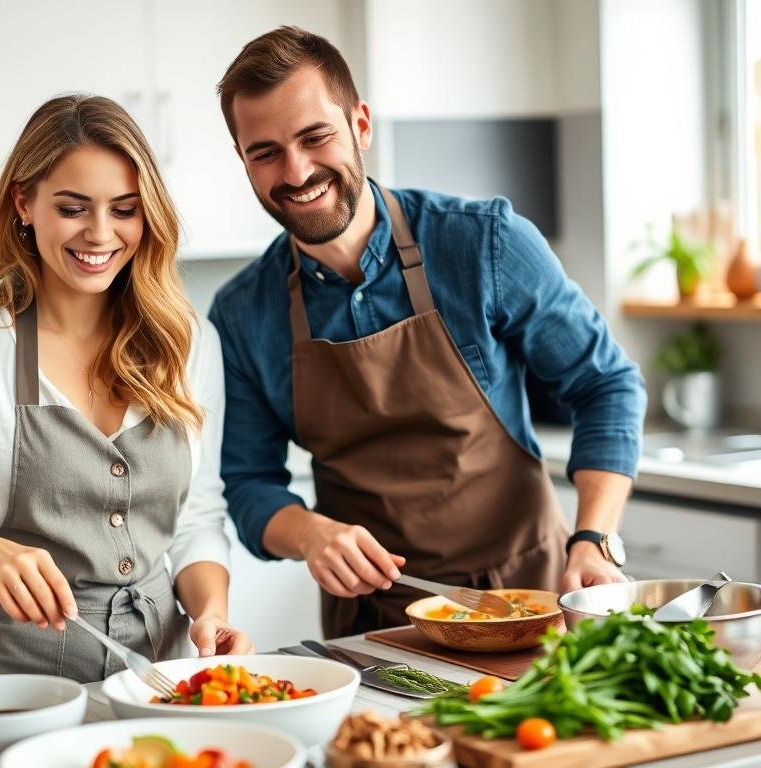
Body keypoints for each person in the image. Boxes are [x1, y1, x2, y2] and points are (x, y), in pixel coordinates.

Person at [208, 27, 647, 638]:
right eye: (266, 152)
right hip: (375, 627)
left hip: (530, 598)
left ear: (361, 125)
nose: (297, 170)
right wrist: (309, 533)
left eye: (315, 137)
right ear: (243, 161)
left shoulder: (483, 242)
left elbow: (606, 384)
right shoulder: (243, 313)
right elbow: (249, 482)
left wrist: (594, 538)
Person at [0, 94, 252, 681]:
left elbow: (196, 518)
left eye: (125, 209)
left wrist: (211, 614)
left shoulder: (187, 342)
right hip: (7, 683)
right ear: (24, 203)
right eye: (73, 208)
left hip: (158, 677)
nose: (100, 233)